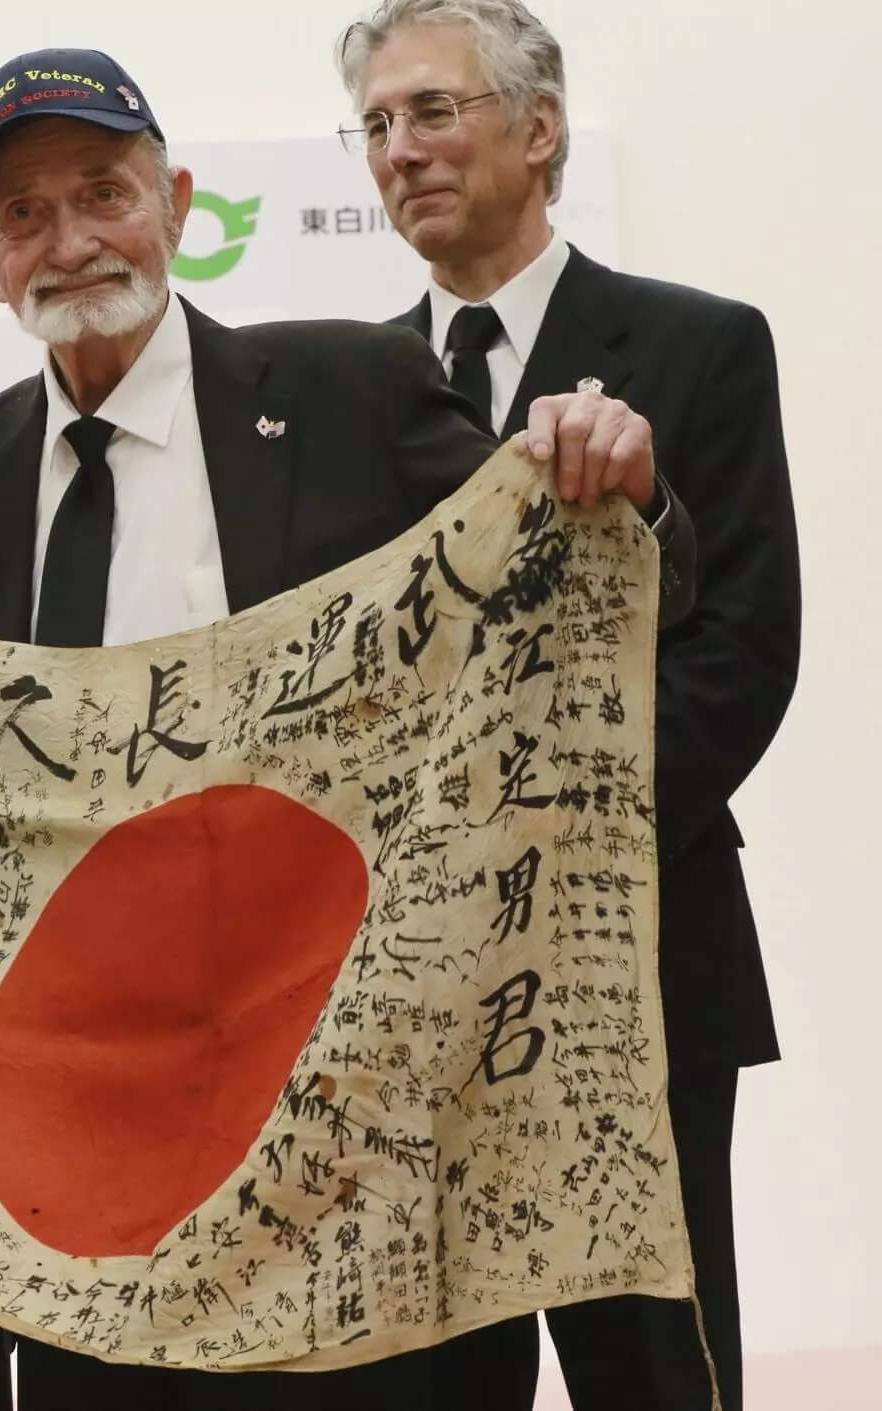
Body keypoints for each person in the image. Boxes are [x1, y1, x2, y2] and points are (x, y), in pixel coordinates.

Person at [0, 48, 696, 1410]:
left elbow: (564, 590)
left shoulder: (348, 393)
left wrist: (625, 486)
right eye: (22, 214)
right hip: (96, 1161)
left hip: (358, 1126)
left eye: (104, 192)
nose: (71, 241)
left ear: (178, 201)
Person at [337, 4, 802, 1407]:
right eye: (375, 126)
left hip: (641, 950)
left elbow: (741, 657)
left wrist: (548, 849)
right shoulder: (346, 387)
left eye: (433, 111)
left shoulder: (701, 344)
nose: (400, 150)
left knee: (658, 1368)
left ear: (538, 130)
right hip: (414, 997)